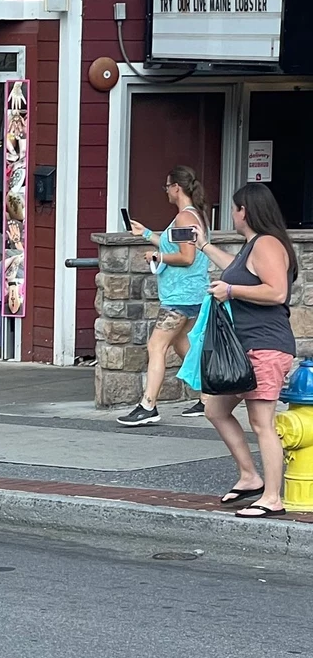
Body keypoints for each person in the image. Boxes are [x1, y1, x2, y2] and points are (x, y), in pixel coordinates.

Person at [193, 183, 297, 518]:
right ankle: (250, 477)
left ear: (245, 211)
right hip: (248, 346)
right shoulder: (252, 246)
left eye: (235, 209)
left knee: (261, 421)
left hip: (265, 345)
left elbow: (277, 292)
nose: (233, 215)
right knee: (216, 408)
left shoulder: (266, 243)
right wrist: (205, 246)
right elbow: (236, 271)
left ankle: (272, 497)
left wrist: (231, 291)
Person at [119, 165, 210, 426]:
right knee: (185, 345)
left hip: (180, 296)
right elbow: (179, 247)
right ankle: (208, 396)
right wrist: (146, 234)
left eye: (167, 187)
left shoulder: (184, 218)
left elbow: (186, 256)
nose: (166, 192)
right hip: (193, 293)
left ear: (177, 188)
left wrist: (157, 257)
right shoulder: (196, 215)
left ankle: (148, 405)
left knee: (156, 346)